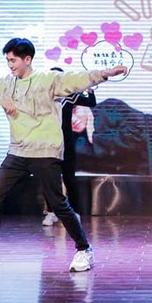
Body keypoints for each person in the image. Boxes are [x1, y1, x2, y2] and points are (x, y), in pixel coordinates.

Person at [0, 38, 127, 272]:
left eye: (13, 60)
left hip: (45, 152)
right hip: (17, 151)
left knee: (58, 204)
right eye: (8, 60)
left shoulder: (47, 80)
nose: (10, 65)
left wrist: (105, 73)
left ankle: (84, 250)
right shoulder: (6, 83)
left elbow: (76, 79)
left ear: (27, 59)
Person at [42, 66, 97, 226]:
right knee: (49, 180)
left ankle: (74, 212)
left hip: (66, 143)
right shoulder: (42, 96)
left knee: (69, 179)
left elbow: (91, 102)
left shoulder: (69, 95)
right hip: (47, 143)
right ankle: (51, 213)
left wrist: (90, 89)